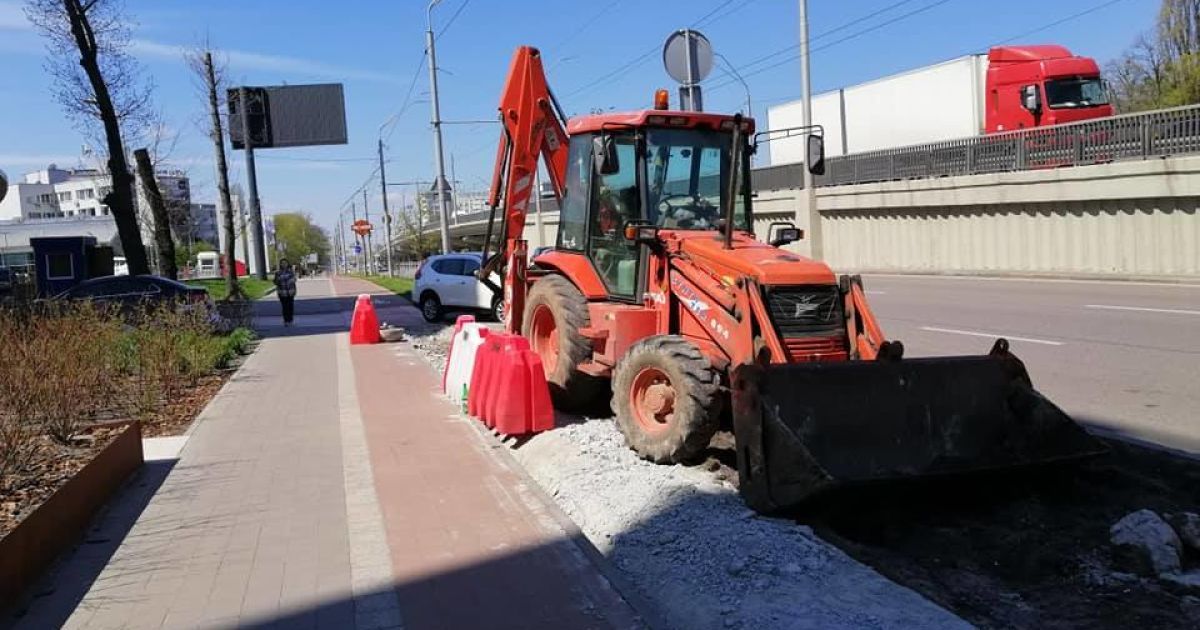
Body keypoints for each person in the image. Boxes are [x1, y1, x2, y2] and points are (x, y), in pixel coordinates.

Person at [273, 258, 297, 327]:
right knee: (284, 307)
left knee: (290, 307)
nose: (284, 264)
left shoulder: (291, 272)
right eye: (282, 263)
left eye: (285, 263)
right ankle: (286, 321)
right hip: (282, 292)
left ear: (287, 264)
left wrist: (285, 279)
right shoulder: (278, 272)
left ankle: (290, 320)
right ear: (280, 264)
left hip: (290, 292)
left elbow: (294, 280)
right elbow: (275, 282)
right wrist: (280, 279)